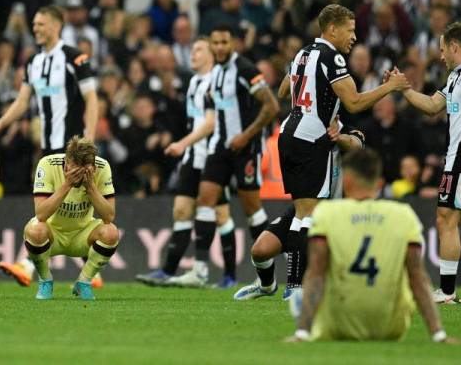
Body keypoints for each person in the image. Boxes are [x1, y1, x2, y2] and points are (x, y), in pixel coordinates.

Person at [274, 4, 410, 296]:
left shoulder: (302, 53)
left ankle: (295, 284)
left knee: (302, 212)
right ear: (332, 29)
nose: (354, 37)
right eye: (350, 31)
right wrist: (391, 87)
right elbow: (355, 103)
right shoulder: (332, 57)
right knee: (309, 215)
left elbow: (283, 91)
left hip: (288, 133)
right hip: (313, 138)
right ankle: (296, 287)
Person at [285, 148, 451, 343]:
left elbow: (316, 273)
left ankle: (304, 327)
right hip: (390, 329)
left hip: (337, 328)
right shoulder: (404, 215)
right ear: (379, 182)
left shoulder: (326, 213)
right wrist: (439, 335)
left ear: (346, 180)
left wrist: (302, 333)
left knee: (305, 290)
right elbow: (418, 278)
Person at [386, 22, 461, 304]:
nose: (441, 55)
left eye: (443, 49)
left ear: (455, 46)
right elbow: (432, 106)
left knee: (445, 218)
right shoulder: (456, 77)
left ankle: (446, 291)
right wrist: (403, 89)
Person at [0, 5, 100, 287]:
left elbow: (92, 99)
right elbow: (23, 101)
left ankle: (27, 265)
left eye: (41, 24)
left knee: (51, 206)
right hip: (48, 147)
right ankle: (92, 268)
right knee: (59, 205)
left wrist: (88, 138)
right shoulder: (33, 62)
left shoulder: (75, 58)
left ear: (56, 25)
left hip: (72, 146)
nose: (36, 28)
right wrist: (1, 123)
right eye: (35, 24)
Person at [168, 24, 280, 287]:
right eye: (215, 43)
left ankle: (268, 272)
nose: (219, 47)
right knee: (205, 201)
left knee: (252, 210)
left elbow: (271, 106)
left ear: (233, 44)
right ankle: (200, 270)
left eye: (224, 43)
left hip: (246, 148)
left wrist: (246, 135)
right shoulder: (215, 74)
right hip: (219, 148)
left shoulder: (245, 70)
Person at [135, 38, 238, 288]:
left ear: (211, 55)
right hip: (193, 156)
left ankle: (226, 275)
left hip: (213, 156)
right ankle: (169, 271)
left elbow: (213, 123)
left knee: (221, 215)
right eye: (191, 49)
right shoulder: (194, 82)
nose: (192, 53)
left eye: (198, 50)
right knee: (181, 210)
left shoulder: (217, 81)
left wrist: (182, 143)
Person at [234, 117, 365, 300]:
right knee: (260, 251)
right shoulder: (304, 129)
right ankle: (266, 286)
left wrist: (337, 137)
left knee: (323, 259)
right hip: (304, 207)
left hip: (334, 213)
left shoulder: (348, 130)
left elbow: (357, 145)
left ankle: (305, 287)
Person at [23, 136, 119, 300]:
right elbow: (41, 214)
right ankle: (45, 280)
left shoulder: (102, 168)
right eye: (75, 169)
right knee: (36, 229)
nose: (80, 175)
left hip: (82, 233)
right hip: (53, 233)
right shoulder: (48, 164)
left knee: (111, 232)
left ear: (93, 166)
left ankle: (84, 283)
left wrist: (90, 187)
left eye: (85, 170)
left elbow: (109, 216)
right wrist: (67, 184)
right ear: (67, 163)